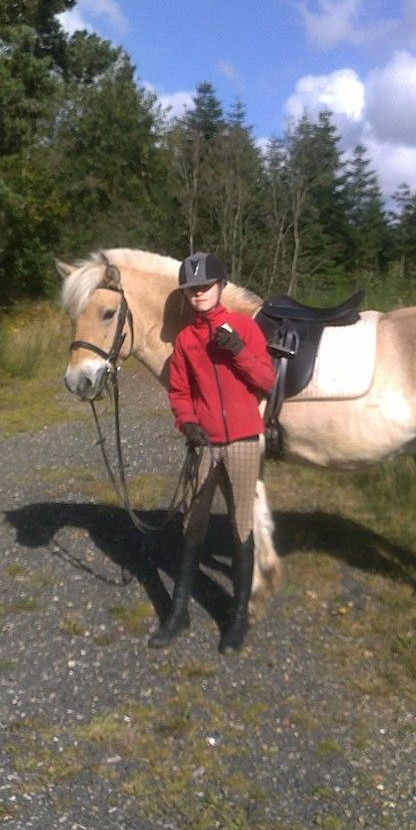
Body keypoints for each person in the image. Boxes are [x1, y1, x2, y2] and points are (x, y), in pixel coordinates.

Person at [149, 252, 275, 653]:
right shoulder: (186, 341)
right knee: (192, 523)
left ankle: (238, 617)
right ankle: (178, 613)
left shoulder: (244, 327)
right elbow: (179, 392)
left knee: (241, 525)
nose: (198, 293)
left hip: (242, 441)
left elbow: (266, 380)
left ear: (220, 286)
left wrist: (238, 350)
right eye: (191, 289)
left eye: (205, 286)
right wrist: (187, 422)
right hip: (203, 442)